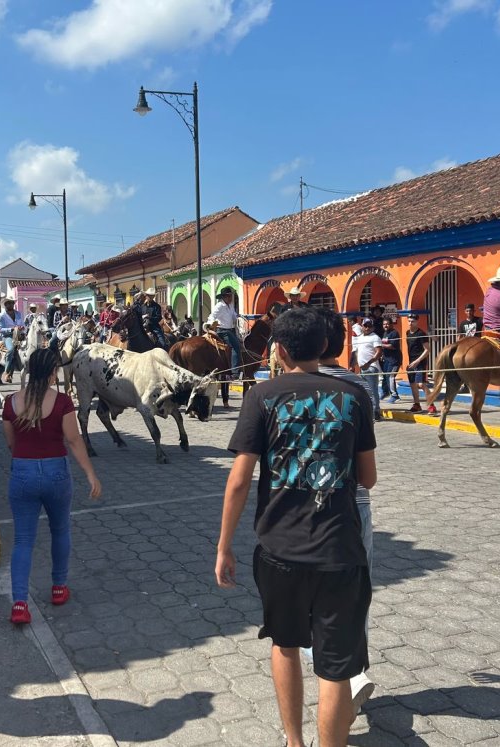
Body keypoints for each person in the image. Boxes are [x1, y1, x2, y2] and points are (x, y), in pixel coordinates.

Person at [216, 307, 376, 747]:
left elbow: (238, 481)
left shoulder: (261, 396)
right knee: (335, 668)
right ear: (323, 347)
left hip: (279, 550)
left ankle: (293, 741)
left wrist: (224, 546)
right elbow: (368, 478)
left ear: (279, 349)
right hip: (339, 549)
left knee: (285, 645)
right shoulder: (354, 396)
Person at [311, 308, 379, 715]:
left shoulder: (282, 389)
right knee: (356, 595)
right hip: (355, 503)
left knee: (305, 603)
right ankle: (353, 670)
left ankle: (340, 678)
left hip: (303, 507)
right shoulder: (359, 389)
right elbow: (367, 475)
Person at [2, 347, 101, 625]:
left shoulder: (11, 402)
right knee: (60, 531)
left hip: (22, 473)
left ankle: (19, 604)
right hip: (57, 472)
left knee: (23, 540)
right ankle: (59, 587)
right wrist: (91, 474)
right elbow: (74, 440)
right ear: (52, 373)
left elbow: (11, 443)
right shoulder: (62, 402)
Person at [351, 318, 383, 420]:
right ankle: (368, 411)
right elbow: (356, 353)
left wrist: (369, 363)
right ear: (362, 326)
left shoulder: (375, 337)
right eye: (365, 325)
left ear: (373, 327)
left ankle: (375, 412)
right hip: (362, 368)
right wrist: (352, 365)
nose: (367, 328)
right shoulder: (359, 338)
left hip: (371, 368)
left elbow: (379, 352)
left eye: (369, 326)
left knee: (373, 391)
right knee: (365, 391)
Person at [405, 315, 436, 415]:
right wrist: (411, 362)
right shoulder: (407, 333)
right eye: (409, 321)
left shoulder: (421, 333)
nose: (410, 323)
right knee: (413, 385)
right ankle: (417, 405)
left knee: (421, 384)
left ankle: (431, 405)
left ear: (417, 322)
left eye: (412, 321)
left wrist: (417, 361)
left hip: (420, 362)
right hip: (411, 362)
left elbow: (428, 350)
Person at [208, 288, 242, 372]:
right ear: (224, 297)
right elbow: (212, 316)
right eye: (229, 296)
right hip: (223, 331)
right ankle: (235, 371)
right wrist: (211, 323)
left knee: (241, 343)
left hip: (231, 330)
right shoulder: (219, 306)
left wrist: (238, 317)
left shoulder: (230, 305)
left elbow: (234, 315)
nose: (231, 298)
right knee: (235, 346)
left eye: (231, 296)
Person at [0, 299, 25, 385]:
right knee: (11, 349)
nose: (10, 305)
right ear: (5, 305)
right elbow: (0, 329)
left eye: (11, 303)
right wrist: (12, 329)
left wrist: (22, 328)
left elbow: (23, 324)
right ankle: (7, 372)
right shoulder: (1, 316)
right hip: (7, 336)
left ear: (13, 304)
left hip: (19, 335)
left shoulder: (18, 314)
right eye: (7, 303)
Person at [379, 317, 401, 402]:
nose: (386, 325)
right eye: (384, 324)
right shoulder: (385, 333)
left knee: (390, 376)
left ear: (391, 324)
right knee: (385, 376)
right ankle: (385, 392)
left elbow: (392, 346)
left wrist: (381, 345)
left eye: (387, 324)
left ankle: (395, 395)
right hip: (386, 359)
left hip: (394, 360)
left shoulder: (394, 333)